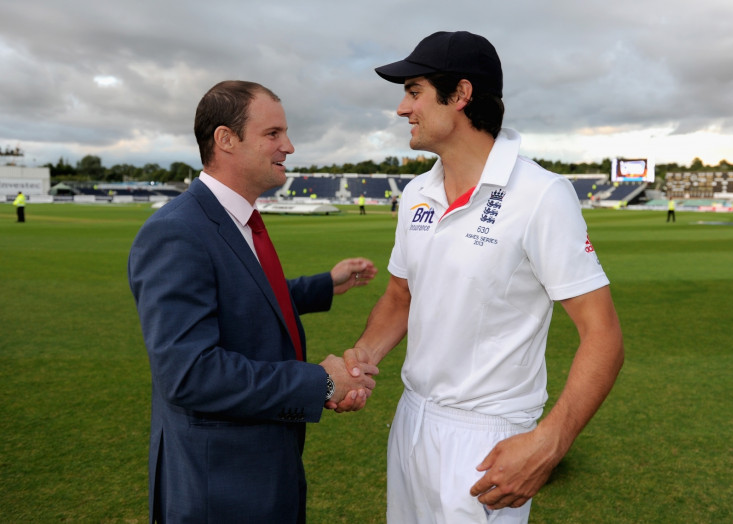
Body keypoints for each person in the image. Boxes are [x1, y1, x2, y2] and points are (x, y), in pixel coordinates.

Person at [344, 31, 624, 523]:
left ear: (461, 95)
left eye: (414, 91)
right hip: (411, 422)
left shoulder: (541, 194)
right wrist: (364, 358)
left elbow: (603, 334)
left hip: (486, 439)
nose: (401, 108)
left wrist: (550, 441)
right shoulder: (416, 194)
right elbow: (400, 295)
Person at [128, 80, 379, 523]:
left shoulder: (235, 218)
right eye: (273, 134)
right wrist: (319, 383)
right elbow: (189, 373)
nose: (290, 146)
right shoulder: (177, 231)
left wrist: (324, 284)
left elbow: (246, 295)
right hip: (219, 487)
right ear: (225, 139)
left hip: (262, 467)